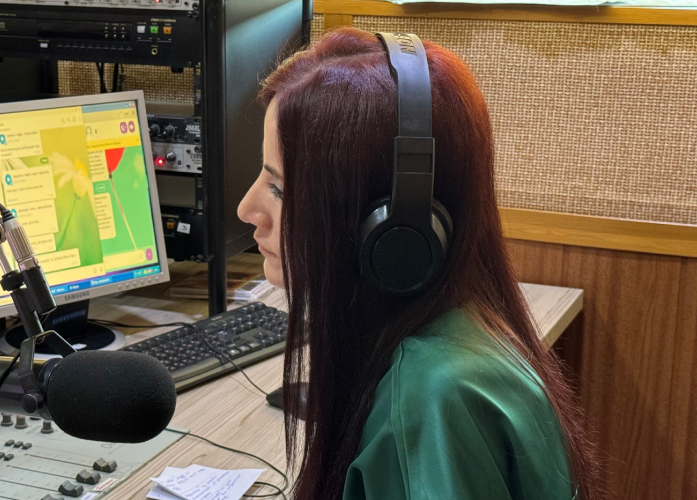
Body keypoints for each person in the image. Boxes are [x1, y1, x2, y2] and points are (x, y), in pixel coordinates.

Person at [237, 28, 600, 500]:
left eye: (280, 189)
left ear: (392, 226)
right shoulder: (457, 334)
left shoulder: (434, 396)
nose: (247, 209)